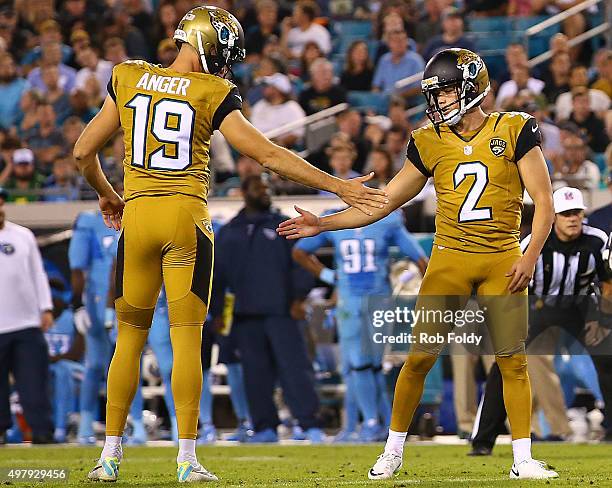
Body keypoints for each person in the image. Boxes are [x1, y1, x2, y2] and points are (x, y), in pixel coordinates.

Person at [72, 5, 387, 483]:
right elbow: (265, 153)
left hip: (137, 217)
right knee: (186, 340)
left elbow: (81, 151)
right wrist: (339, 186)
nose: (225, 64)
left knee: (128, 342)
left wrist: (108, 195)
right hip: (185, 219)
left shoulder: (128, 75)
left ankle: (109, 457)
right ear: (206, 44)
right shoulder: (212, 90)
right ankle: (185, 460)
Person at [278, 48, 559, 480]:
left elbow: (544, 201)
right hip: (449, 259)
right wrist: (324, 224)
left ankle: (522, 458)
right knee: (419, 359)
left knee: (512, 361)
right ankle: (393, 451)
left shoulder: (514, 128)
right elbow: (385, 202)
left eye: (445, 91)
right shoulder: (428, 140)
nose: (439, 101)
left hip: (503, 256)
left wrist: (531, 252)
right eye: (436, 93)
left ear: (471, 88)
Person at [470, 187, 612, 452]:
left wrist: (602, 319)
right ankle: (483, 440)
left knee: (608, 360)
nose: (572, 219)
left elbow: (607, 282)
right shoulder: (534, 242)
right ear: (554, 217)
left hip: (581, 307)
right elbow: (510, 280)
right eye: (566, 213)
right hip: (535, 305)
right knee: (504, 364)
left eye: (577, 213)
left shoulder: (596, 241)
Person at [293, 209, 427, 441]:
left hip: (378, 300)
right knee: (358, 364)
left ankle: (377, 423)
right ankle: (372, 422)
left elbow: (419, 258)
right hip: (350, 302)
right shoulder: (334, 217)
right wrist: (329, 276)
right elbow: (300, 251)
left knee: (372, 366)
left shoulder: (387, 219)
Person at [210, 174, 323, 443]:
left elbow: (302, 262)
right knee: (255, 375)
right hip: (244, 316)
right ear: (245, 192)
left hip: (282, 311)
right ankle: (264, 428)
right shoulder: (230, 231)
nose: (265, 192)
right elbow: (218, 277)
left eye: (267, 188)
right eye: (259, 187)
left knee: (295, 370)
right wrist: (218, 314)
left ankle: (310, 425)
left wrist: (299, 298)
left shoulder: (284, 225)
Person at [0, 187, 55, 444]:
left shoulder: (23, 235)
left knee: (34, 381)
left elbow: (38, 273)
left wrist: (45, 307)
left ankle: (42, 432)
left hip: (25, 322)